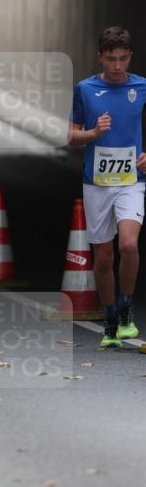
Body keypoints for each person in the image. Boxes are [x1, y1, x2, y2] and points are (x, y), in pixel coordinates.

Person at [69, 26, 146, 348]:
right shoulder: (86, 89)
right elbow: (71, 136)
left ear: (130, 57)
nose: (117, 66)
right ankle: (111, 316)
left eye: (123, 59)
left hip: (132, 180)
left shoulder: (141, 87)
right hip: (97, 183)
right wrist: (93, 134)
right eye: (111, 59)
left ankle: (127, 309)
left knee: (128, 245)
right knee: (102, 257)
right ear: (100, 57)